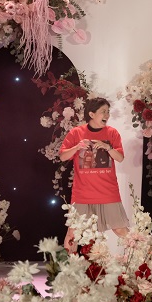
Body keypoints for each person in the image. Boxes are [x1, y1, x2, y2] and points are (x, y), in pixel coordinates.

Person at [59, 97, 129, 252]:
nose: (107, 115)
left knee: (120, 229)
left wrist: (108, 147)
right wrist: (77, 147)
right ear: (91, 114)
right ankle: (69, 265)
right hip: (82, 193)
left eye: (108, 112)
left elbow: (120, 158)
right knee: (72, 233)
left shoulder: (112, 133)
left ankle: (143, 260)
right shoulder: (76, 133)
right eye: (103, 112)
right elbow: (63, 156)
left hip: (107, 192)